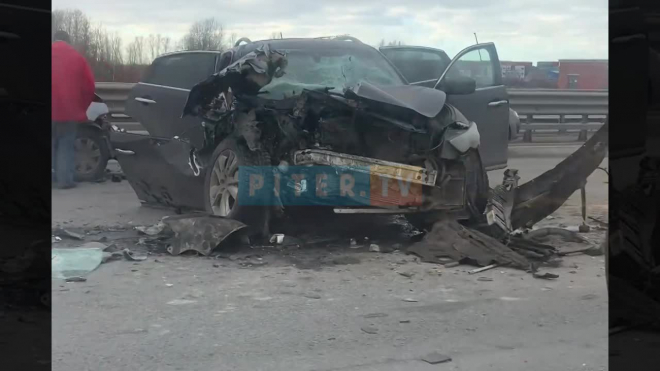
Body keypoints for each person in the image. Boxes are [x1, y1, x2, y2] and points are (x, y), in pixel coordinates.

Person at [52, 30, 96, 189]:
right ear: (68, 41)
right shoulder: (77, 58)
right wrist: (81, 107)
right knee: (65, 146)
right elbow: (89, 87)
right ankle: (64, 181)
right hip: (68, 112)